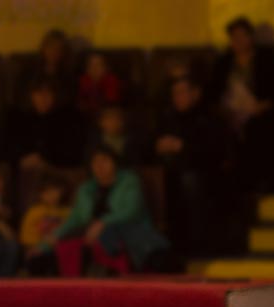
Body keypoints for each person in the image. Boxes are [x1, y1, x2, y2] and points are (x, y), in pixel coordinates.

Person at [43, 145, 172, 276]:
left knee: (112, 233)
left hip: (126, 228)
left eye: (104, 160)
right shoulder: (86, 189)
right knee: (63, 243)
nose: (100, 166)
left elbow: (131, 211)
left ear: (114, 162)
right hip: (91, 231)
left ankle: (144, 262)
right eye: (95, 162)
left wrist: (103, 223)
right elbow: (75, 218)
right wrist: (54, 236)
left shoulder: (129, 181)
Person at [154, 75, 234, 257]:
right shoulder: (167, 118)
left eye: (182, 92)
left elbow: (216, 154)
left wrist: (182, 147)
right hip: (172, 176)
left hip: (207, 176)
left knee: (190, 181)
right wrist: (158, 146)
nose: (177, 98)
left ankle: (200, 245)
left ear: (196, 93)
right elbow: (149, 147)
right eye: (174, 93)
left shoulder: (210, 117)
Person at [206, 16, 274, 191]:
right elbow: (212, 93)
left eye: (243, 35)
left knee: (258, 127)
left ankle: (257, 187)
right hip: (230, 112)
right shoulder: (224, 62)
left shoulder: (267, 59)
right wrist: (225, 109)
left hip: (260, 111)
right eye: (234, 37)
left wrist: (264, 105)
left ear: (251, 37)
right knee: (217, 129)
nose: (239, 41)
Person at [19, 172, 71, 275]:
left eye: (54, 191)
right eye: (47, 192)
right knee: (35, 260)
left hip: (60, 250)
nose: (51, 195)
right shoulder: (34, 212)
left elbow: (71, 232)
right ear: (40, 194)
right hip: (37, 250)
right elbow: (26, 235)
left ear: (62, 191)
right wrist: (38, 245)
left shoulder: (67, 212)